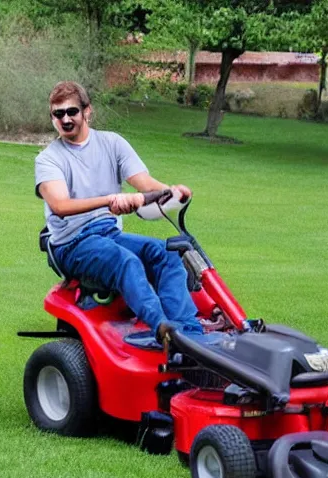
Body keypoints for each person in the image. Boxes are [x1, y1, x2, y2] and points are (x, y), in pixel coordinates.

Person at [34, 81, 203, 340]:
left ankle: (191, 335)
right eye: (58, 114)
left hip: (108, 233)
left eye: (72, 112)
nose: (65, 119)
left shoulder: (112, 144)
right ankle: (163, 329)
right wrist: (110, 199)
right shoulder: (49, 159)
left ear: (88, 111)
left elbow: (143, 183)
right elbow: (60, 206)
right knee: (125, 261)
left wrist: (171, 191)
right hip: (72, 243)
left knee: (167, 254)